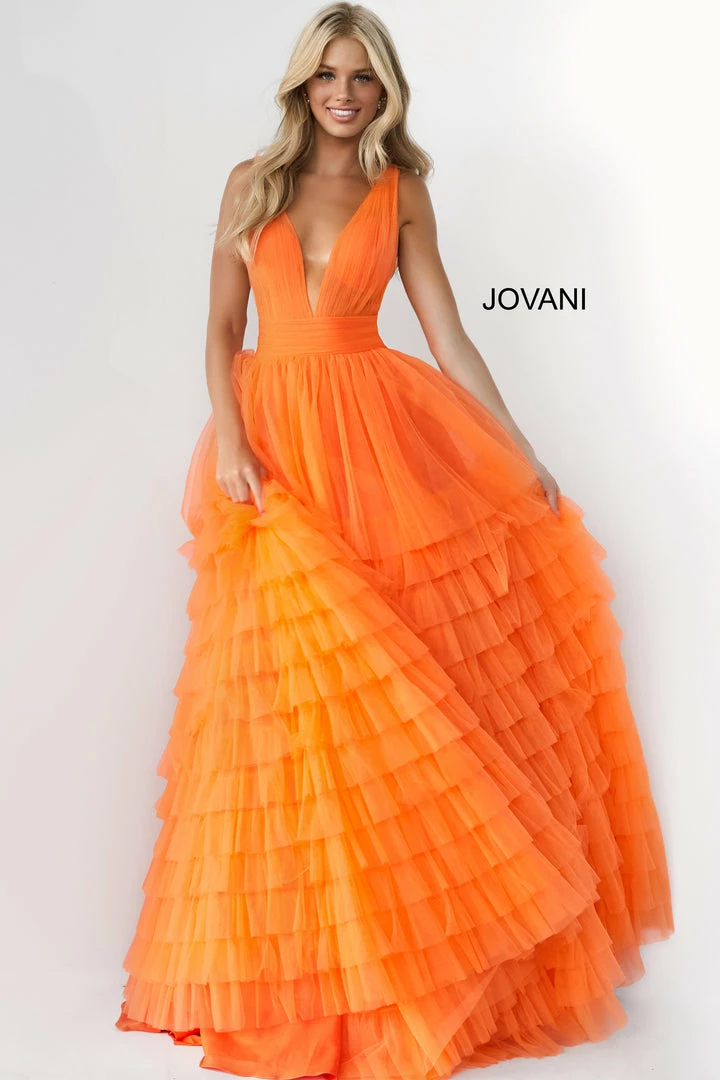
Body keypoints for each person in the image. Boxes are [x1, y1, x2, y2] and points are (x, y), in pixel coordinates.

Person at [115, 3, 674, 1077]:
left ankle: (412, 970)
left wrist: (520, 448)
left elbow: (448, 333)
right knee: (290, 703)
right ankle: (306, 972)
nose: (344, 93)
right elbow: (221, 328)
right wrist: (231, 441)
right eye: (328, 74)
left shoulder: (401, 189)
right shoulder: (249, 184)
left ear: (386, 91)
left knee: (392, 702)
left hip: (379, 443)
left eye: (363, 77)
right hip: (276, 442)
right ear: (302, 84)